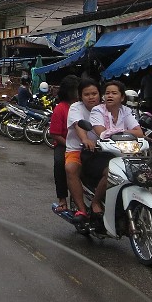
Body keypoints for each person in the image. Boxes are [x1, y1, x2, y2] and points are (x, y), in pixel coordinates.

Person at [86, 80, 145, 217]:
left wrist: (118, 132)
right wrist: (125, 131)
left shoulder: (126, 111)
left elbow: (139, 132)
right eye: (107, 93)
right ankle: (96, 201)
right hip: (101, 153)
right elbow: (101, 132)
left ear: (122, 97)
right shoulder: (97, 110)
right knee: (110, 172)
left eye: (114, 93)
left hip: (124, 153)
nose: (110, 96)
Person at [65, 78, 102, 221]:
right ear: (80, 96)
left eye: (94, 93)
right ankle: (82, 210)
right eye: (87, 94)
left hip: (102, 149)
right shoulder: (76, 107)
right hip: (77, 149)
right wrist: (85, 139)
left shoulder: (105, 108)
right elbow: (78, 124)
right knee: (71, 169)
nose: (91, 97)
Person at [48, 75, 80, 214]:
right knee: (60, 163)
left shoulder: (83, 107)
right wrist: (69, 144)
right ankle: (62, 198)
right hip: (64, 144)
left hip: (82, 144)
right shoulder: (60, 108)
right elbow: (54, 133)